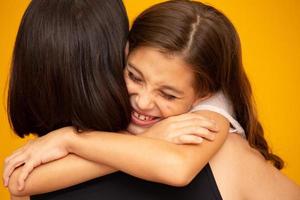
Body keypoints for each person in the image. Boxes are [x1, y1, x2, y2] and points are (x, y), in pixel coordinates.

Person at [4, 0, 300, 199]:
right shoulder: (109, 126)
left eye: (168, 94)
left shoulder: (209, 120)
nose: (143, 102)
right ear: (124, 52)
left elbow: (177, 169)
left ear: (204, 94)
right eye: (133, 76)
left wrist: (71, 139)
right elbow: (20, 181)